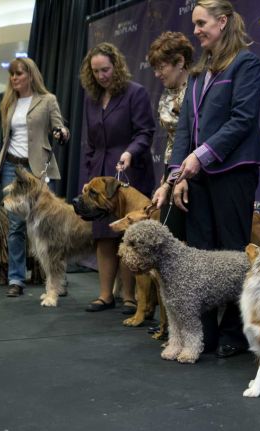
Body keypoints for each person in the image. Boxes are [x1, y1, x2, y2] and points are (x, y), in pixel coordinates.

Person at [158, 0, 260, 358]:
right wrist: (178, 175)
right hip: (198, 178)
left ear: (222, 22)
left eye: (202, 23)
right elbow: (186, 129)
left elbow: (242, 119)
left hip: (233, 172)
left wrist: (198, 157)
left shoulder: (246, 63)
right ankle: (200, 334)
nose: (197, 30)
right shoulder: (197, 71)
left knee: (235, 255)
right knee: (200, 256)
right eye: (195, 24)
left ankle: (235, 332)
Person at [79, 42, 155, 312]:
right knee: (103, 235)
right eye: (96, 71)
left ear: (117, 66)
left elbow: (145, 132)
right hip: (99, 173)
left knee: (129, 237)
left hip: (130, 171)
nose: (101, 76)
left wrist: (131, 153)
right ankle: (105, 295)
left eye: (106, 69)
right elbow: (90, 142)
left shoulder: (136, 93)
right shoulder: (91, 99)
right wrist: (89, 176)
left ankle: (130, 298)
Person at [0, 57, 69, 297]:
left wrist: (61, 132)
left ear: (31, 75)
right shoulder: (8, 103)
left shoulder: (47, 100)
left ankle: (56, 280)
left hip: (37, 169)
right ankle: (16, 278)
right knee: (15, 226)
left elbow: (60, 127)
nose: (14, 78)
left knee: (49, 226)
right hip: (12, 167)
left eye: (19, 74)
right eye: (12, 74)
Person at [149, 31, 194, 243]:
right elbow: (171, 139)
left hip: (193, 169)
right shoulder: (169, 93)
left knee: (184, 240)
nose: (157, 74)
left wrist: (181, 176)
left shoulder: (196, 90)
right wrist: (166, 176)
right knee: (171, 236)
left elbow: (193, 137)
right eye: (155, 68)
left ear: (180, 62)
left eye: (161, 67)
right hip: (173, 168)